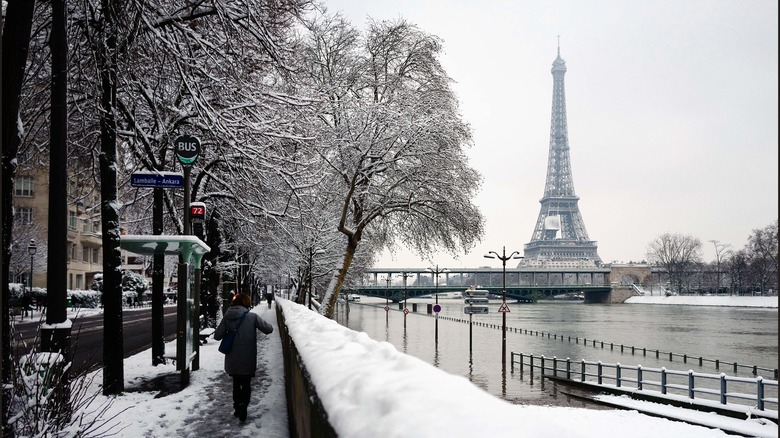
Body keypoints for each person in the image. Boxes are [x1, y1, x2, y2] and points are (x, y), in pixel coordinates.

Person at [214, 292, 273, 422]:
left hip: (232, 358)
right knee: (246, 384)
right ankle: (243, 408)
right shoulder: (252, 317)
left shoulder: (227, 317)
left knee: (236, 383)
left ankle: (237, 406)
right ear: (247, 303)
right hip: (248, 357)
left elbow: (217, 335)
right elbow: (269, 329)